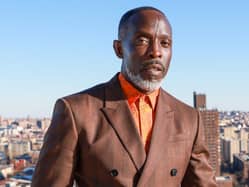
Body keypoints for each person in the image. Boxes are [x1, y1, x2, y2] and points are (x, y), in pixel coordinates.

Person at [32, 6, 217, 187]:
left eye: (165, 43)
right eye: (142, 40)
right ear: (119, 49)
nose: (156, 51)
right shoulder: (77, 112)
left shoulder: (189, 119)